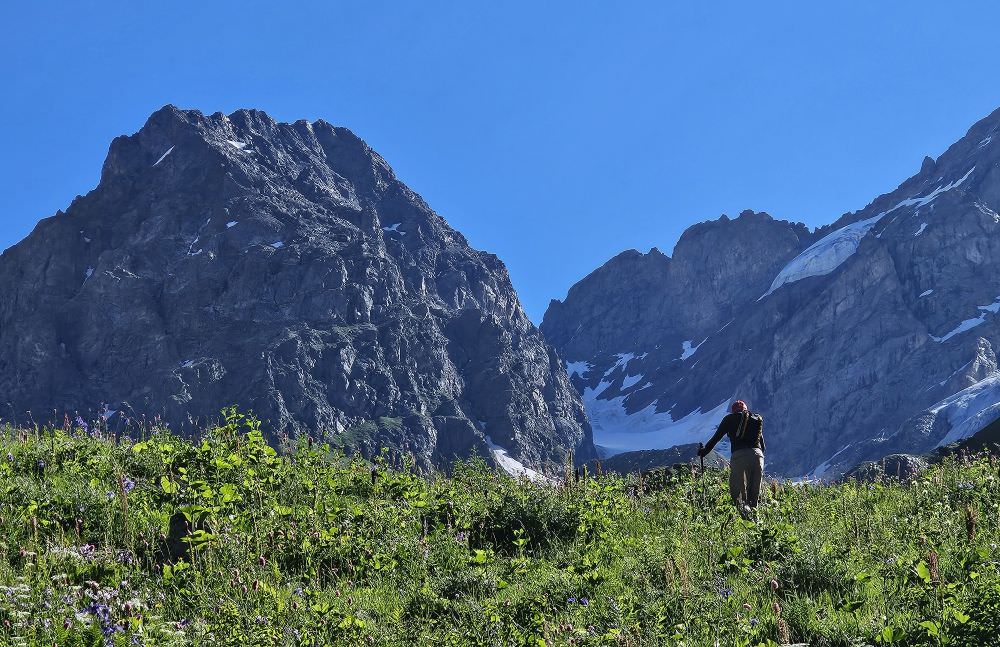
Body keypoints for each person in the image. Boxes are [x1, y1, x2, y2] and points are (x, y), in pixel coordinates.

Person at [697, 400, 765, 512]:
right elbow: (763, 445)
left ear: (733, 411)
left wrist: (703, 452)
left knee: (738, 492)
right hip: (758, 456)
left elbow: (716, 438)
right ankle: (754, 519)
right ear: (745, 409)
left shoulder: (729, 419)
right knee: (754, 492)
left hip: (739, 456)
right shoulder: (756, 418)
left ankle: (744, 519)